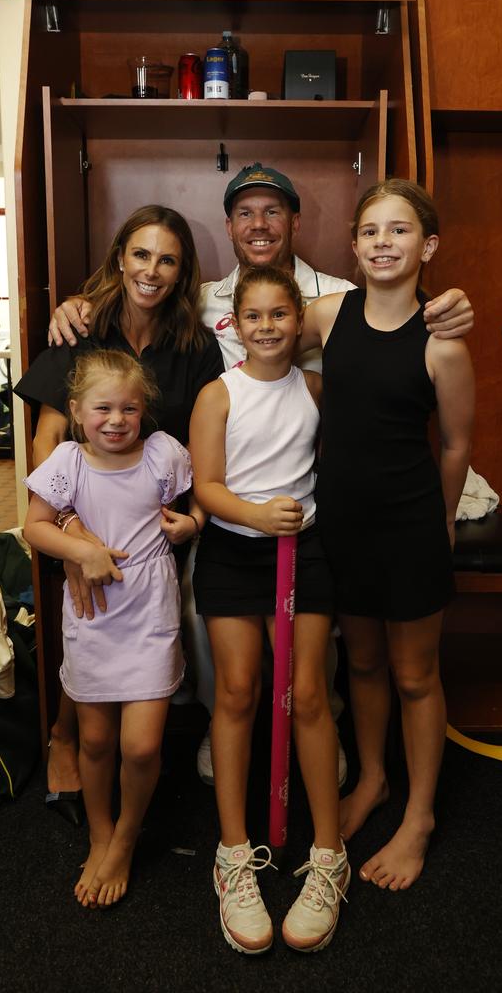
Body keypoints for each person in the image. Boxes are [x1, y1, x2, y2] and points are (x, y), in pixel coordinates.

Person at [45, 163, 474, 789]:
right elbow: (144, 291)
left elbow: (402, 330)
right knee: (209, 611)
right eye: (245, 213)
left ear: (297, 222)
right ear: (229, 227)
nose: (259, 224)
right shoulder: (210, 295)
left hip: (321, 492)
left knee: (345, 649)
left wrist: (452, 301)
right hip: (224, 488)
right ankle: (230, 726)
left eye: (273, 211)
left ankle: (318, 730)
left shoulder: (329, 295)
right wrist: (83, 301)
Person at [14, 205, 223, 823]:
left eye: (167, 259)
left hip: (153, 528)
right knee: (87, 620)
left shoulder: (195, 345)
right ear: (119, 258)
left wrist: (192, 517)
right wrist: (74, 533)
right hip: (77, 516)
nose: (151, 270)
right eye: (140, 254)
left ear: (182, 273)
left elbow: (205, 445)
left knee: (139, 624)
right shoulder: (82, 327)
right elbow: (47, 437)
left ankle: (141, 733)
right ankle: (65, 735)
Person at [300, 178, 475, 892]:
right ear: (353, 245)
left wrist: (438, 524)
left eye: (399, 231)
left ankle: (421, 816)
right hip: (342, 523)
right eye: (370, 230)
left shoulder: (443, 344)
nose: (383, 242)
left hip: (408, 530)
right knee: (363, 665)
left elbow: (457, 446)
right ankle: (372, 779)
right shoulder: (328, 314)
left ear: (427, 246)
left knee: (412, 674)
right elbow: (254, 322)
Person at [190, 265, 348, 954]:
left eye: (279, 316)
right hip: (233, 554)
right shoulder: (216, 395)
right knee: (237, 690)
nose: (266, 328)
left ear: (299, 319)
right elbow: (208, 487)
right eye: (252, 316)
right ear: (233, 324)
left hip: (303, 554)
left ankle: (329, 853)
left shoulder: (317, 389)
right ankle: (233, 853)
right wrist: (257, 514)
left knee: (309, 694)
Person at [23, 349, 199, 907]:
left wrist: (191, 523)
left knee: (142, 746)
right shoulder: (67, 462)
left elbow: (190, 507)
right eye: (103, 408)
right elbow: (34, 527)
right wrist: (81, 551)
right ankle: (100, 833)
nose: (116, 420)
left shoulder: (164, 454)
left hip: (150, 612)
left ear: (144, 409)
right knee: (96, 740)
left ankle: (125, 838)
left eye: (129, 407)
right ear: (77, 412)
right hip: (94, 616)